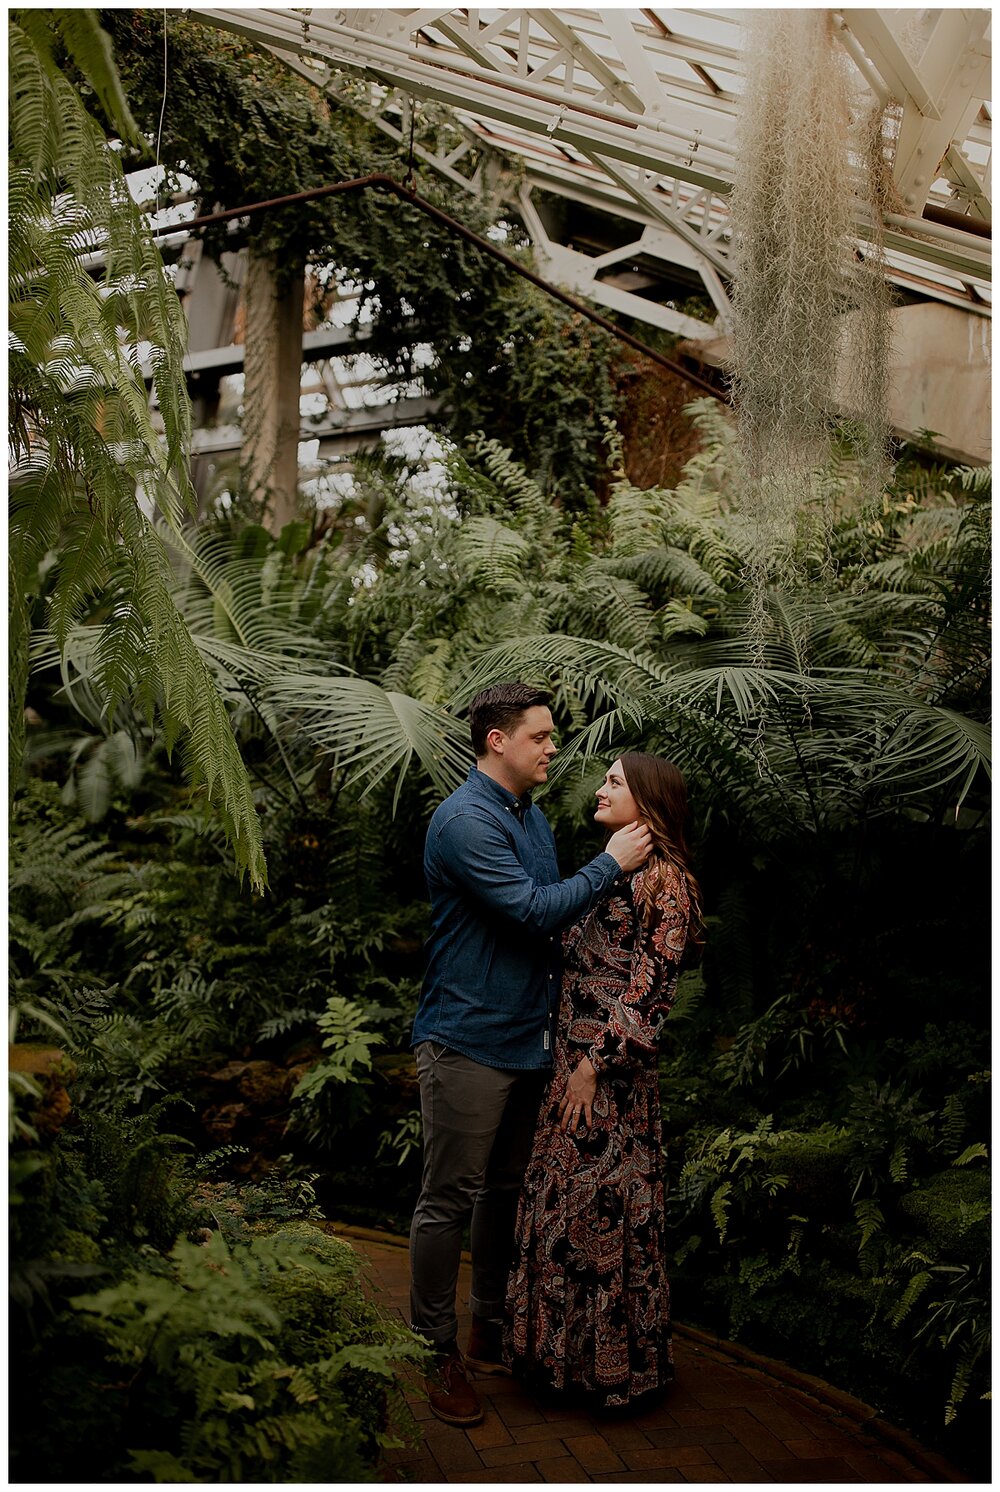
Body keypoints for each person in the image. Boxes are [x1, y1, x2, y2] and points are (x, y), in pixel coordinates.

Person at [409, 684, 653, 1427]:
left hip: (529, 1039)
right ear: (497, 742)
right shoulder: (464, 823)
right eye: (541, 737)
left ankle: (487, 1325)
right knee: (447, 1199)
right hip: (466, 1039)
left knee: (505, 1191)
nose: (554, 748)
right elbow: (533, 909)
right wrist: (611, 863)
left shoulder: (532, 816)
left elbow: (556, 923)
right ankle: (432, 1347)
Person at [505, 752, 704, 1411]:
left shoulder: (666, 882)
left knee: (601, 1216)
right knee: (563, 1209)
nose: (600, 788)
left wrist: (593, 1066)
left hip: (608, 1081)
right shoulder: (618, 875)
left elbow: (652, 996)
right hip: (571, 1070)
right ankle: (559, 1362)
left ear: (647, 801)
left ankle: (608, 1372)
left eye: (614, 781)